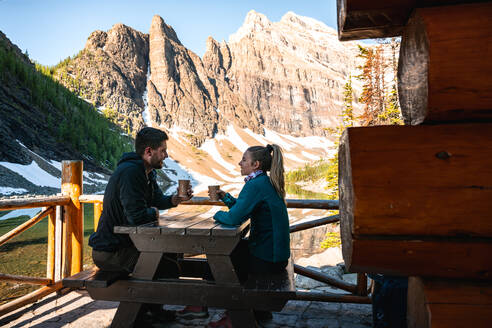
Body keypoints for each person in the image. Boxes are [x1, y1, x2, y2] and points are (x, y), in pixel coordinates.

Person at [88, 127, 193, 323]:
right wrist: (152, 212)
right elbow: (135, 217)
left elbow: (158, 199)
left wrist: (175, 199)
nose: (166, 155)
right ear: (148, 151)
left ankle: (150, 312)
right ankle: (139, 317)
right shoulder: (131, 172)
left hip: (128, 245)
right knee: (165, 268)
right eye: (163, 151)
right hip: (110, 250)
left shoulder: (147, 171)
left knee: (170, 254)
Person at [207, 144, 291, 328]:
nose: (240, 162)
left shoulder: (255, 185)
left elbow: (233, 218)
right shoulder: (264, 182)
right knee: (234, 253)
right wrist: (226, 198)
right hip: (275, 255)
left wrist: (215, 215)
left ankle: (235, 315)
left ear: (256, 165)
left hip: (268, 258)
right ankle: (259, 312)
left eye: (244, 159)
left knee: (222, 258)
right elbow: (243, 208)